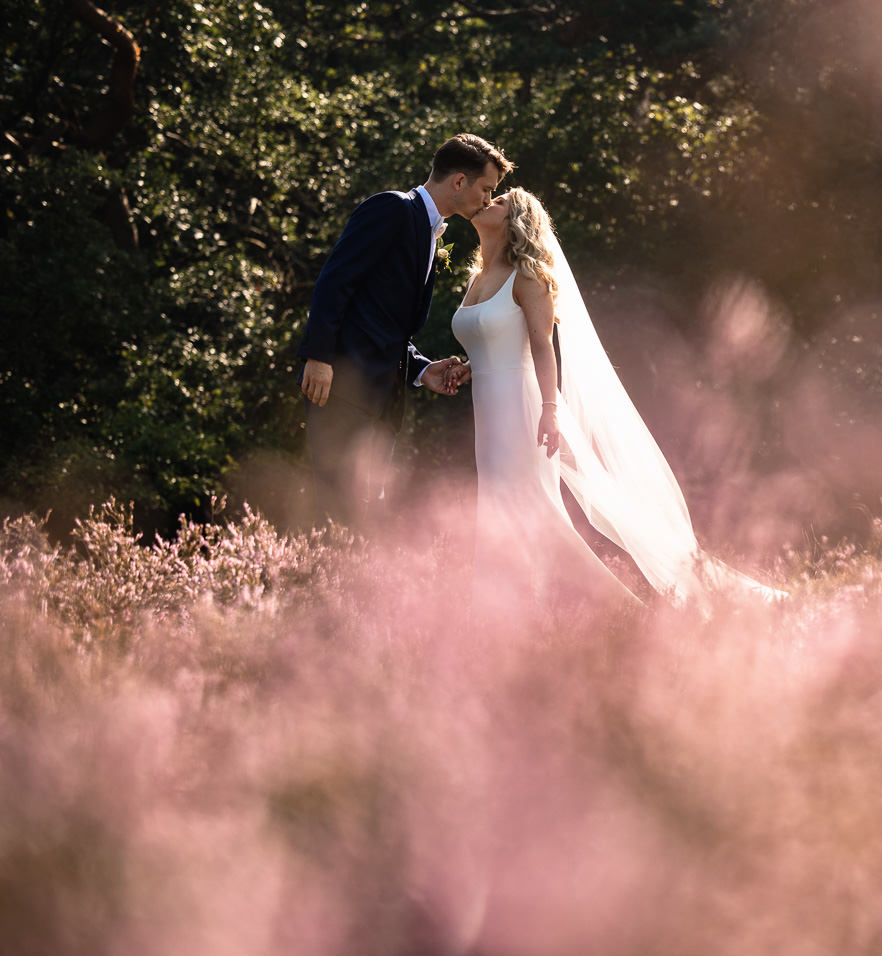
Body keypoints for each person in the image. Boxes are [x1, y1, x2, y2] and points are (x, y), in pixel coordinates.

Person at [452, 188, 782, 610]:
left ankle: (621, 612)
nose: (487, 202)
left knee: (533, 505)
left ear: (515, 219)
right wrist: (466, 365)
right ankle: (506, 608)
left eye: (499, 201)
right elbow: (491, 338)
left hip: (523, 407)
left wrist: (550, 411)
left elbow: (541, 346)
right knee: (498, 503)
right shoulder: (478, 278)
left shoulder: (529, 276)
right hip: (488, 410)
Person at [296, 133, 512, 525]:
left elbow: (384, 323)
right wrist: (319, 355)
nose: (488, 199)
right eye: (486, 188)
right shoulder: (393, 209)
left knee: (365, 516)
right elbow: (335, 279)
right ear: (459, 181)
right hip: (343, 388)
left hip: (382, 399)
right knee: (337, 514)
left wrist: (421, 369)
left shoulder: (430, 230)